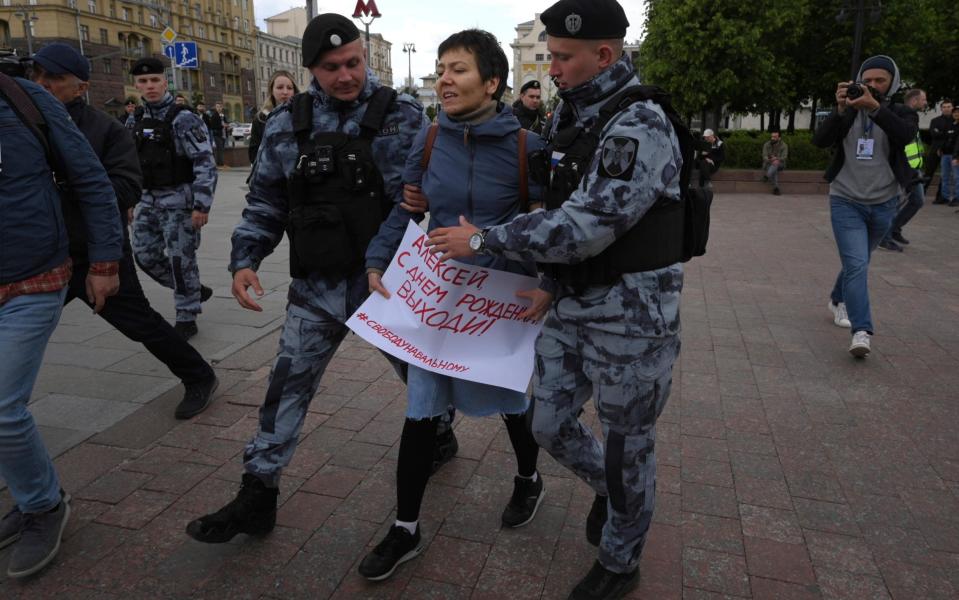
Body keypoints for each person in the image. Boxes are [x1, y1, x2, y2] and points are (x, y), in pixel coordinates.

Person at [426, 1, 683, 598]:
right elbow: (549, 204)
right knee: (547, 423)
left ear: (605, 54)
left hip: (632, 316)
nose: (553, 66)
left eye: (564, 56)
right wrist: (546, 279)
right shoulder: (572, 115)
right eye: (550, 53)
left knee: (627, 444)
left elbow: (585, 225)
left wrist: (485, 240)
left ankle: (621, 561)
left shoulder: (638, 122)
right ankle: (609, 493)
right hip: (572, 302)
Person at [184, 13, 429, 545]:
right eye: (330, 67)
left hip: (383, 286)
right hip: (316, 288)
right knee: (286, 385)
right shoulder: (285, 123)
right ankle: (258, 493)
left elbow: (424, 196)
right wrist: (244, 258)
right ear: (311, 68)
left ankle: (439, 430)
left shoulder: (403, 116)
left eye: (353, 63)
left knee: (422, 380)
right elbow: (267, 200)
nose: (346, 76)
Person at [359, 29, 547, 582]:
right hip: (439, 299)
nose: (444, 78)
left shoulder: (526, 148)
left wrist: (522, 264)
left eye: (459, 69)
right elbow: (407, 210)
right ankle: (406, 527)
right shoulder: (429, 137)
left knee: (511, 399)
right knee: (421, 406)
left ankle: (529, 479)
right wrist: (376, 258)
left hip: (499, 300)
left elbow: (543, 228)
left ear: (492, 81)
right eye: (441, 68)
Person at [31, 43, 219, 419]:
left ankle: (198, 371)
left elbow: (189, 164)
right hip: (41, 253)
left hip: (96, 249)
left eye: (53, 78)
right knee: (20, 333)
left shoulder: (106, 129)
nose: (41, 84)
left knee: (141, 319)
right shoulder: (25, 121)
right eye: (37, 76)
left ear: (81, 86)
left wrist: (201, 204)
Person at [0, 60, 123, 578]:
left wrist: (104, 263)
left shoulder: (26, 100)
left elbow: (93, 179)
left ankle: (43, 506)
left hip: (32, 277)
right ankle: (33, 495)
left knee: (3, 408)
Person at [812, 55, 918, 358]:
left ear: (892, 84)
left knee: (858, 261)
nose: (872, 86)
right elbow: (820, 141)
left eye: (879, 81)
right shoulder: (848, 113)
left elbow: (907, 136)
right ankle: (862, 330)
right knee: (857, 264)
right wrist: (840, 108)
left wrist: (874, 107)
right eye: (867, 80)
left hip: (884, 203)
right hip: (845, 200)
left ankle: (836, 298)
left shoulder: (900, 112)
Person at [127, 57, 218, 341]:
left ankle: (187, 313)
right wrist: (129, 201)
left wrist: (201, 205)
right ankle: (193, 289)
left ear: (165, 82)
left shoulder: (184, 117)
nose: (149, 86)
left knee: (181, 261)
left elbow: (204, 161)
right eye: (143, 82)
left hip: (179, 202)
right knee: (143, 255)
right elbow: (130, 162)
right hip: (147, 201)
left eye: (155, 80)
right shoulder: (136, 118)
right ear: (136, 85)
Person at [879, 88, 928, 252]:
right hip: (903, 168)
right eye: (923, 99)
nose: (925, 103)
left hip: (912, 168)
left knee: (916, 200)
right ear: (914, 100)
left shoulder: (910, 116)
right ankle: (885, 237)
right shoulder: (901, 114)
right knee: (896, 202)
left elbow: (913, 144)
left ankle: (893, 230)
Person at [248, 70, 299, 164]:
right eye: (280, 87)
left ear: (294, 91)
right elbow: (253, 154)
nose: (285, 92)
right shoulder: (261, 118)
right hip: (270, 173)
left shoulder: (302, 115)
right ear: (271, 90)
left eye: (289, 88)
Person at [928, 100, 953, 204]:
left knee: (945, 175)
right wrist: (948, 133)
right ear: (941, 109)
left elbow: (953, 136)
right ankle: (917, 194)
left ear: (952, 108)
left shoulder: (955, 121)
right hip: (935, 151)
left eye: (949, 107)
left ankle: (941, 197)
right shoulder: (935, 120)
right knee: (928, 173)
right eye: (944, 107)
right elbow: (934, 134)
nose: (946, 109)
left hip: (948, 152)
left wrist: (942, 133)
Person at [761, 130, 788, 195]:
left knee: (776, 163)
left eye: (775, 137)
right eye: (772, 136)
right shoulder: (766, 144)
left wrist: (776, 159)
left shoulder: (784, 145)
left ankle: (767, 176)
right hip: (768, 163)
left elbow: (784, 157)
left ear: (779, 138)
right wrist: (770, 160)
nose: (772, 138)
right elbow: (764, 156)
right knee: (774, 169)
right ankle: (776, 189)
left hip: (780, 164)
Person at [945, 106, 959, 206]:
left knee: (957, 178)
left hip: (956, 155)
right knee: (951, 178)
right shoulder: (951, 124)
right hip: (949, 154)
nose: (956, 114)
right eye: (955, 112)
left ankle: (957, 198)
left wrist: (956, 157)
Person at [205, 101, 226, 166]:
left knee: (222, 149)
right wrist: (222, 126)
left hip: (224, 134)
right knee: (219, 149)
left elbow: (226, 122)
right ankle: (220, 163)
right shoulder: (214, 116)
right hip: (217, 134)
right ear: (215, 108)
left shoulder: (223, 115)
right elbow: (213, 126)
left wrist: (228, 126)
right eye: (217, 107)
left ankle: (221, 163)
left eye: (220, 107)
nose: (219, 108)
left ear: (222, 107)